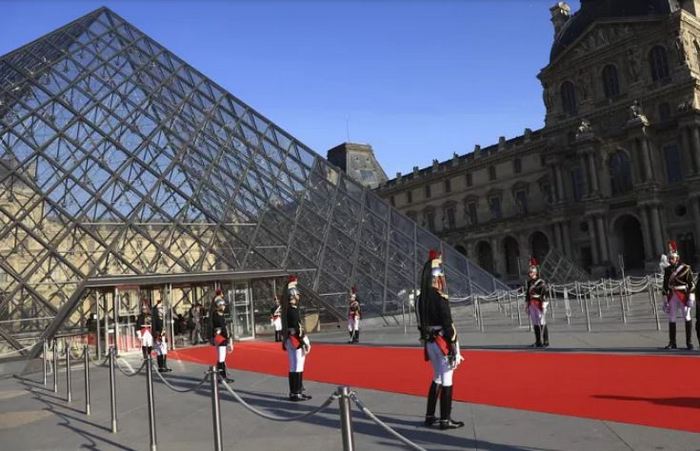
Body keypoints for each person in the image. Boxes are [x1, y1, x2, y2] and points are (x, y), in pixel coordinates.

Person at [416, 249, 464, 430]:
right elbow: (448, 324)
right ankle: (445, 419)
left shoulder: (421, 299)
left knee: (436, 376)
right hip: (442, 342)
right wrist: (454, 347)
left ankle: (430, 416)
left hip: (429, 342)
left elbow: (420, 323)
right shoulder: (440, 298)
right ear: (436, 278)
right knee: (447, 379)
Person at [281, 275, 312, 402]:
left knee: (293, 366)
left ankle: (294, 392)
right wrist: (303, 342)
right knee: (298, 366)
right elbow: (297, 328)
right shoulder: (293, 310)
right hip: (295, 339)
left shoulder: (287, 309)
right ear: (293, 296)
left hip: (289, 339)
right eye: (297, 295)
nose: (299, 297)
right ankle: (297, 392)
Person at [662, 240, 696, 350]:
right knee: (671, 317)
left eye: (672, 258)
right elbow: (665, 285)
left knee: (687, 316)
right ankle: (672, 342)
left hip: (683, 295)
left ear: (677, 258)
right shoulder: (667, 270)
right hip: (672, 296)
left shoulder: (685, 268)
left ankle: (689, 342)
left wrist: (691, 298)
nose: (670, 260)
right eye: (669, 258)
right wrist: (665, 301)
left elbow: (691, 284)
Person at [525, 257, 549, 348]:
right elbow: (527, 294)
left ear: (535, 272)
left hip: (539, 303)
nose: (530, 273)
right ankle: (538, 341)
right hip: (532, 304)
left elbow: (545, 294)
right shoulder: (529, 282)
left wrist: (544, 305)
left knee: (542, 322)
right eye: (529, 272)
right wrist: (527, 305)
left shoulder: (541, 282)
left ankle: (545, 341)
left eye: (531, 272)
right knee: (535, 322)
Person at [211, 296, 234, 381]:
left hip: (220, 338)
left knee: (221, 358)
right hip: (221, 338)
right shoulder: (217, 316)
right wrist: (228, 338)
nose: (224, 307)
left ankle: (220, 376)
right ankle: (222, 377)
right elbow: (222, 328)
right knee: (221, 358)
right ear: (219, 306)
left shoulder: (219, 315)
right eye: (223, 305)